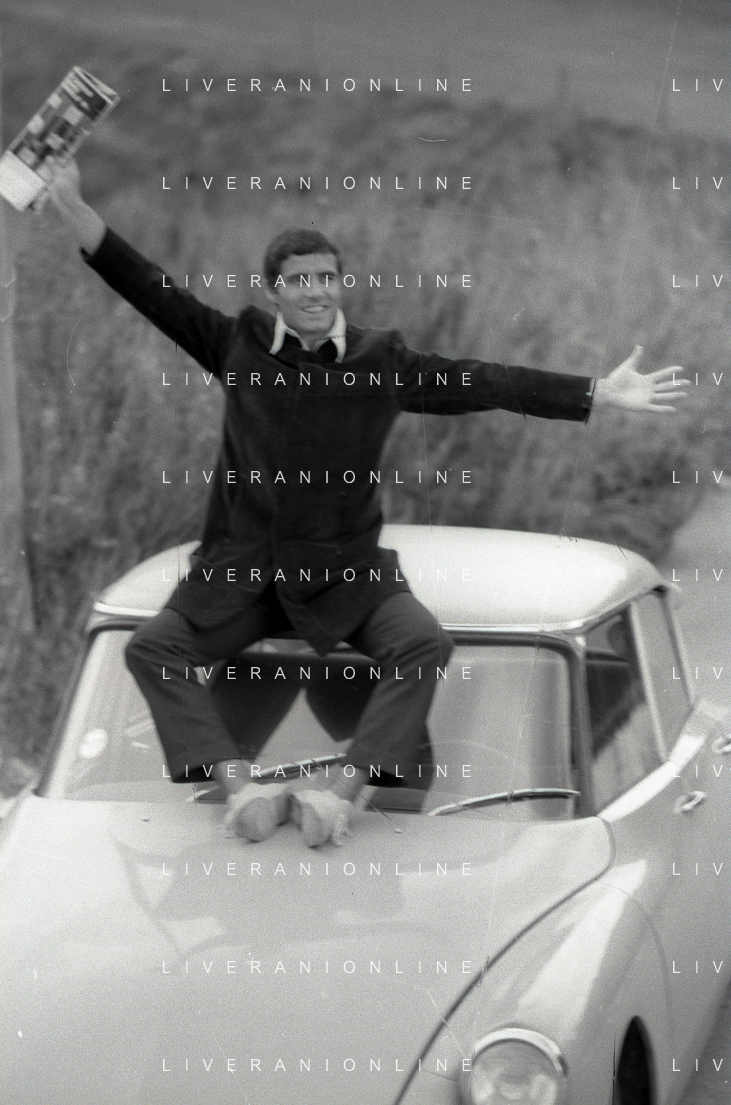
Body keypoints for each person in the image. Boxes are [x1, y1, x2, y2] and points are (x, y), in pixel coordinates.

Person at [46, 161, 689, 848]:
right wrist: (74, 209)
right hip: (242, 574)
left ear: (339, 284)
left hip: (343, 574)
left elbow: (483, 380)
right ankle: (243, 790)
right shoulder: (237, 344)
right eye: (300, 280)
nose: (316, 290)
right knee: (152, 648)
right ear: (275, 291)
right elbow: (149, 288)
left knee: (423, 642)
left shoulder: (380, 360)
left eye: (327, 277)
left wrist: (595, 393)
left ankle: (340, 797)